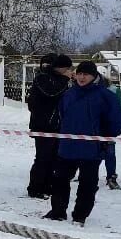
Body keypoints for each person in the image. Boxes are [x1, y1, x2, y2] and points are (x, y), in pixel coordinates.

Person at [44, 61, 121, 226]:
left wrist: (105, 138)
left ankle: (80, 215)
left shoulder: (105, 96)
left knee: (87, 184)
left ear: (94, 76)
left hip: (91, 149)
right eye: (79, 73)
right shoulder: (69, 94)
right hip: (67, 147)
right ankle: (58, 211)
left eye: (86, 74)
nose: (82, 77)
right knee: (59, 180)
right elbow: (62, 115)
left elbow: (116, 120)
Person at [25, 53, 73, 198]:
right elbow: (51, 93)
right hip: (43, 126)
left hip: (57, 126)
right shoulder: (42, 78)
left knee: (54, 158)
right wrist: (66, 79)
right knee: (42, 158)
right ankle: (35, 187)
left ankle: (47, 185)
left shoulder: (60, 80)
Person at [102, 75, 121, 190]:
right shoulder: (90, 90)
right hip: (94, 127)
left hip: (108, 127)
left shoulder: (114, 90)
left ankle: (111, 177)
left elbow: (120, 109)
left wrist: (118, 126)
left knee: (109, 153)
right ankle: (84, 175)